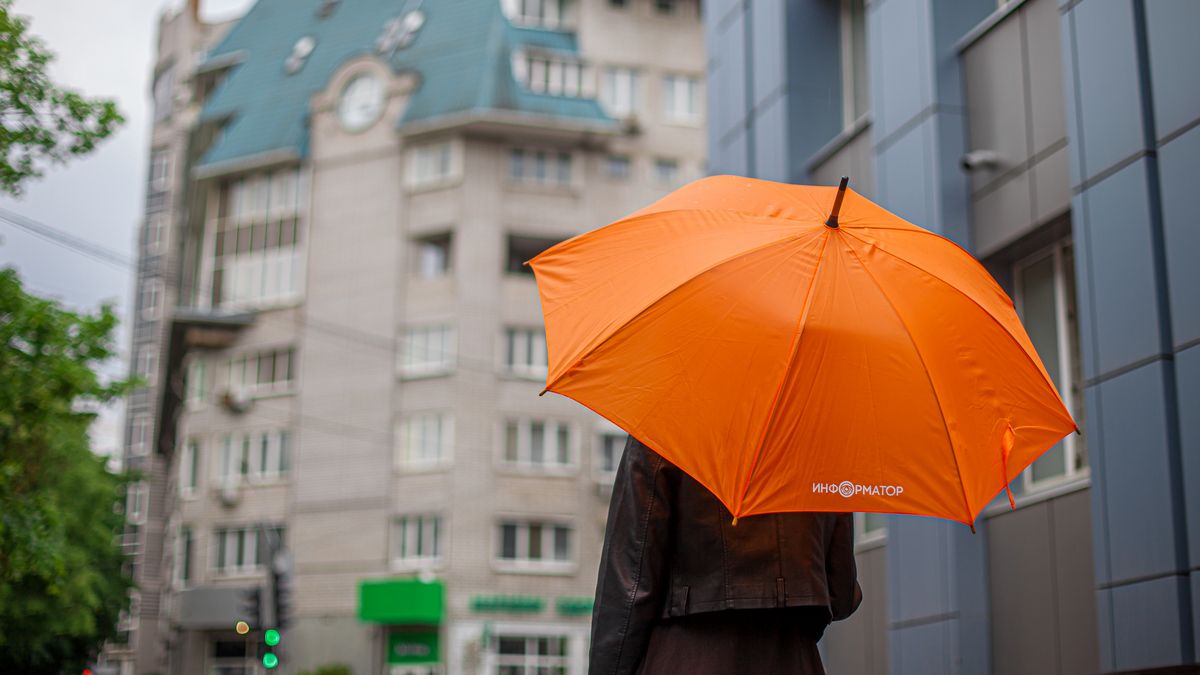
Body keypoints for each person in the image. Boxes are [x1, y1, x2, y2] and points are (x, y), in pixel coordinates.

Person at [590, 436, 862, 675]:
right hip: (792, 656)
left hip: (687, 653)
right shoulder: (820, 435)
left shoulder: (666, 422)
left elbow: (630, 583)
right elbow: (841, 595)